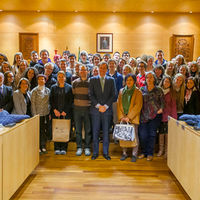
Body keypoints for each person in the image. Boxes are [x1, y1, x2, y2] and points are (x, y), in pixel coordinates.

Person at [89, 61, 116, 160]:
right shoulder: (92, 80)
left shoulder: (111, 80)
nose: (102, 70)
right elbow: (91, 95)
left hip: (107, 111)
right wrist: (98, 105)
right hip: (95, 111)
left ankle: (105, 153)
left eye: (104, 68)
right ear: (98, 68)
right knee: (95, 132)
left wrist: (105, 106)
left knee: (105, 132)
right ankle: (95, 153)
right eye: (101, 68)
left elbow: (113, 95)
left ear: (107, 69)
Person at [138, 72, 164, 161]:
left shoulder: (159, 90)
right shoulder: (141, 89)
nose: (149, 79)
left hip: (155, 116)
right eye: (147, 77)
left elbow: (163, 102)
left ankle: (150, 153)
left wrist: (161, 109)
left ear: (154, 79)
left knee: (152, 134)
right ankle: (143, 152)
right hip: (143, 115)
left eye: (151, 77)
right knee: (143, 135)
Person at [117, 74, 142, 162]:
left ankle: (134, 154)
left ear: (134, 81)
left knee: (134, 136)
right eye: (127, 80)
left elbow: (138, 106)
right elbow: (119, 104)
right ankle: (124, 153)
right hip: (123, 118)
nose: (129, 82)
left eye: (131, 80)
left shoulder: (137, 91)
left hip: (133, 118)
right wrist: (122, 117)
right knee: (124, 136)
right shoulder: (121, 91)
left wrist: (129, 117)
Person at [50, 71, 73, 155]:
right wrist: (55, 110)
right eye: (59, 76)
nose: (60, 78)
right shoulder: (53, 87)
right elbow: (51, 100)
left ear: (65, 78)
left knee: (64, 129)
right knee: (56, 129)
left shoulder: (69, 87)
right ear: (57, 78)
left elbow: (71, 100)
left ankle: (64, 148)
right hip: (55, 113)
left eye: (62, 76)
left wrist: (65, 111)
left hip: (65, 113)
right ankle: (57, 147)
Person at [72, 65, 91, 156]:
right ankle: (79, 147)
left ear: (87, 71)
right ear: (79, 72)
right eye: (81, 70)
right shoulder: (74, 82)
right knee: (78, 130)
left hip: (88, 109)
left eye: (84, 70)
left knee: (88, 129)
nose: (83, 71)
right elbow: (73, 95)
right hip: (77, 109)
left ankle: (87, 147)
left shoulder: (91, 82)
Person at [157, 76, 177, 157]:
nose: (166, 83)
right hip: (160, 116)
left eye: (168, 82)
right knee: (161, 133)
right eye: (165, 81)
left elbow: (174, 107)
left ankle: (166, 151)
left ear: (170, 83)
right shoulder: (159, 91)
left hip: (169, 116)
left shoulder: (172, 92)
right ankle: (161, 150)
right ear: (163, 82)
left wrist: (173, 119)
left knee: (167, 134)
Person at [31, 74, 50, 153]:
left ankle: (43, 146)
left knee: (43, 130)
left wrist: (49, 113)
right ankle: (37, 147)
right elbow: (33, 103)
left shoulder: (48, 90)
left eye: (43, 79)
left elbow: (49, 102)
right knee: (37, 131)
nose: (41, 80)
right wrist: (35, 115)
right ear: (37, 81)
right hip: (37, 114)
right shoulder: (34, 91)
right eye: (39, 79)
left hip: (45, 113)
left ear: (45, 81)